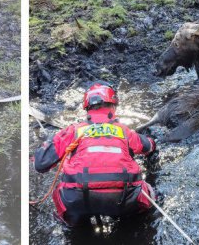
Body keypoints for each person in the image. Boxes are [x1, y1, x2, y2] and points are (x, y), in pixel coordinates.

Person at [34, 82, 159, 227]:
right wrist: (153, 140)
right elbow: (149, 146)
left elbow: (40, 164)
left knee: (66, 202)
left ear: (87, 109)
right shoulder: (124, 131)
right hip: (124, 198)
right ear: (113, 106)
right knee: (149, 196)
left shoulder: (74, 131)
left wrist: (50, 141)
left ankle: (76, 230)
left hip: (76, 200)